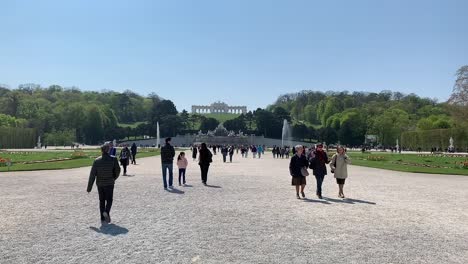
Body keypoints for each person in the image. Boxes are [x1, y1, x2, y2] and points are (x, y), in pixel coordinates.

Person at [87, 143, 121, 223]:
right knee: (109, 200)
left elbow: (92, 175)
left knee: (101, 200)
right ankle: (106, 211)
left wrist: (89, 188)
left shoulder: (97, 161)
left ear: (101, 150)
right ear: (108, 150)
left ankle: (102, 217)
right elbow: (118, 171)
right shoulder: (113, 159)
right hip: (109, 183)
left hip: (100, 184)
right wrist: (113, 178)